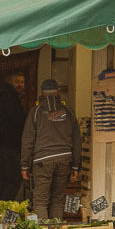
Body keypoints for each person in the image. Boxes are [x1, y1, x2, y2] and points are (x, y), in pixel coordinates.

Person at [20, 79, 81, 221]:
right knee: (58, 200)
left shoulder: (35, 112)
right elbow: (77, 141)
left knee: (40, 200)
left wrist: (25, 165)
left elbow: (28, 140)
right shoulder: (68, 112)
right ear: (58, 92)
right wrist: (76, 166)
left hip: (42, 161)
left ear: (41, 93)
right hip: (65, 159)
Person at [0, 71, 27, 201]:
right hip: (9, 147)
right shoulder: (8, 98)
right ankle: (4, 209)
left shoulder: (10, 97)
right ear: (10, 82)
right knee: (11, 181)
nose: (20, 85)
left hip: (4, 147)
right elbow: (15, 122)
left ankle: (1, 209)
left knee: (5, 181)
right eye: (17, 82)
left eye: (22, 82)